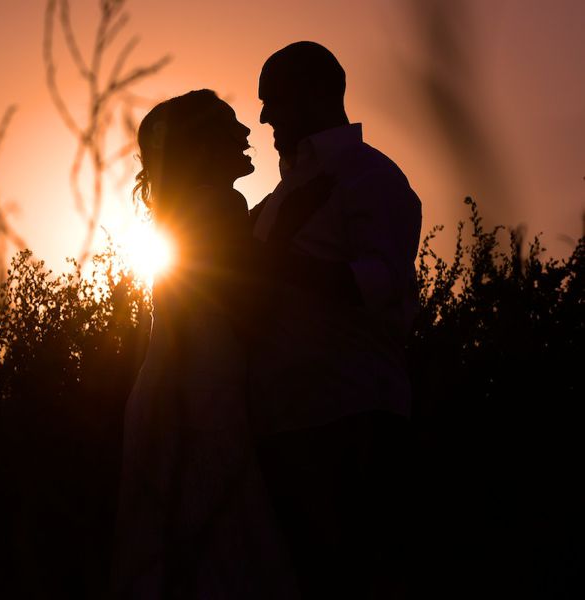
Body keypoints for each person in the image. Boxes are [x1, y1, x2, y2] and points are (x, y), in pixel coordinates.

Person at [248, 41, 423, 599]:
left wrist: (274, 264)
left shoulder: (372, 178)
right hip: (283, 426)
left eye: (275, 99)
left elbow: (377, 284)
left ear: (319, 94)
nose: (265, 116)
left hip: (351, 421)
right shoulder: (280, 196)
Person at [110, 90, 299, 599]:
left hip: (167, 386)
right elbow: (248, 296)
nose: (245, 134)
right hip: (202, 388)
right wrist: (294, 222)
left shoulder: (190, 208)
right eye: (229, 125)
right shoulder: (218, 203)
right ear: (200, 144)